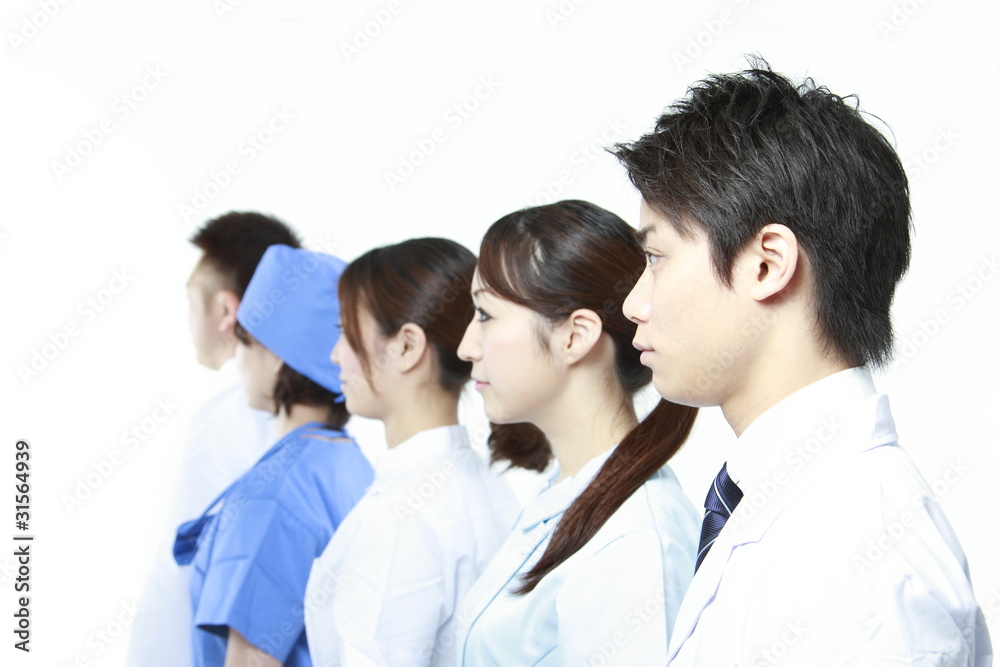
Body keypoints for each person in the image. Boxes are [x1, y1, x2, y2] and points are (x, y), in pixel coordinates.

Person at [612, 61, 991, 665]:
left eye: (656, 257)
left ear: (766, 264)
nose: (634, 304)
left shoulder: (857, 561)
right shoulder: (798, 506)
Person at [454, 200, 700, 665]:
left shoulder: (636, 545)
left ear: (575, 336)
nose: (467, 347)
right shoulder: (570, 492)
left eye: (484, 314)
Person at [304, 238, 520, 666]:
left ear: (406, 346)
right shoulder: (491, 488)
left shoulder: (399, 515)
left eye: (346, 332)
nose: (335, 355)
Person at [175, 244, 374, 666]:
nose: (239, 359)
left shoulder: (273, 497)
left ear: (277, 356)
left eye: (245, 340)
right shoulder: (352, 465)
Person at [128, 211, 300, 667]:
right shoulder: (305, 413)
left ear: (226, 310)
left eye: (191, 301)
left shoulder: (226, 420)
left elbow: (187, 585)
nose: (187, 317)